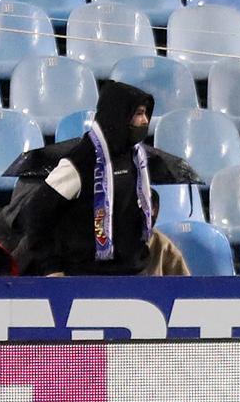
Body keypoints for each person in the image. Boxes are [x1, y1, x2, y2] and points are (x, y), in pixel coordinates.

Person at [16, 81, 156, 276]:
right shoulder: (80, 161)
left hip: (129, 273)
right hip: (84, 277)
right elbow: (36, 212)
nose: (145, 121)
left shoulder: (137, 158)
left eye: (146, 114)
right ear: (119, 115)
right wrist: (51, 267)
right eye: (139, 113)